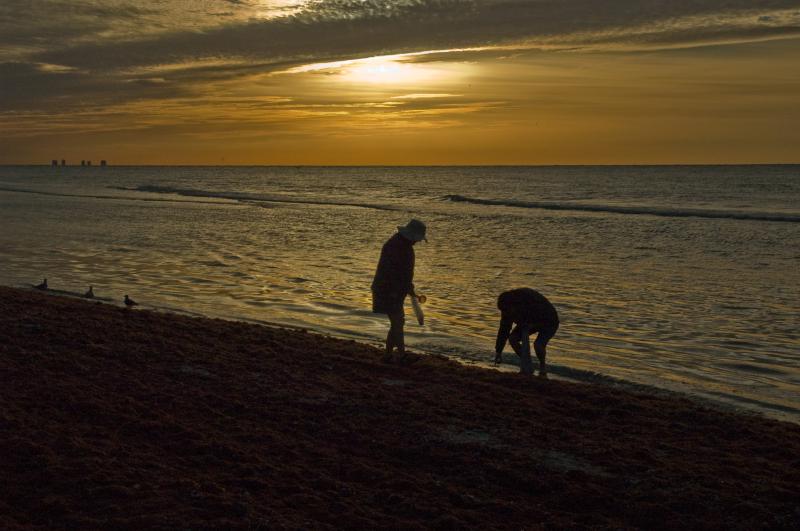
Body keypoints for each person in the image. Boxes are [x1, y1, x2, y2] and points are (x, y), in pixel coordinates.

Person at [372, 219, 427, 363]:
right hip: (389, 290)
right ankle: (401, 355)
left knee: (397, 322)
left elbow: (403, 274)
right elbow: (393, 272)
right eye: (417, 239)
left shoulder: (399, 245)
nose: (417, 242)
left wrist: (408, 288)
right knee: (397, 322)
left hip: (392, 290)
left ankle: (388, 355)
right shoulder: (397, 247)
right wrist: (401, 290)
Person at [494, 288, 559, 377]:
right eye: (503, 311)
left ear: (513, 305)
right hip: (527, 321)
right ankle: (527, 362)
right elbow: (503, 330)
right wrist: (498, 351)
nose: (506, 313)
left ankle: (542, 367)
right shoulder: (506, 310)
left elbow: (544, 311)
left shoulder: (528, 299)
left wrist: (533, 324)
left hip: (549, 320)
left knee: (538, 345)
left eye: (507, 310)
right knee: (513, 339)